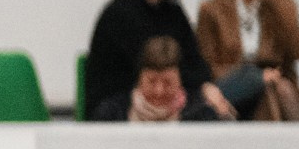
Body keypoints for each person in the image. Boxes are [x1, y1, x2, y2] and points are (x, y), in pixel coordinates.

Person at [85, 0, 233, 121]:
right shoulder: (118, 14)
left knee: (215, 109)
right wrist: (199, 87)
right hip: (121, 112)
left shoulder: (173, 11)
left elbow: (196, 64)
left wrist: (205, 86)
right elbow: (151, 69)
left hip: (171, 103)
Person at [91, 36, 224, 122]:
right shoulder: (111, 114)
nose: (159, 91)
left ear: (180, 80)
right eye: (151, 81)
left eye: (168, 82)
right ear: (139, 79)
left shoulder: (202, 116)